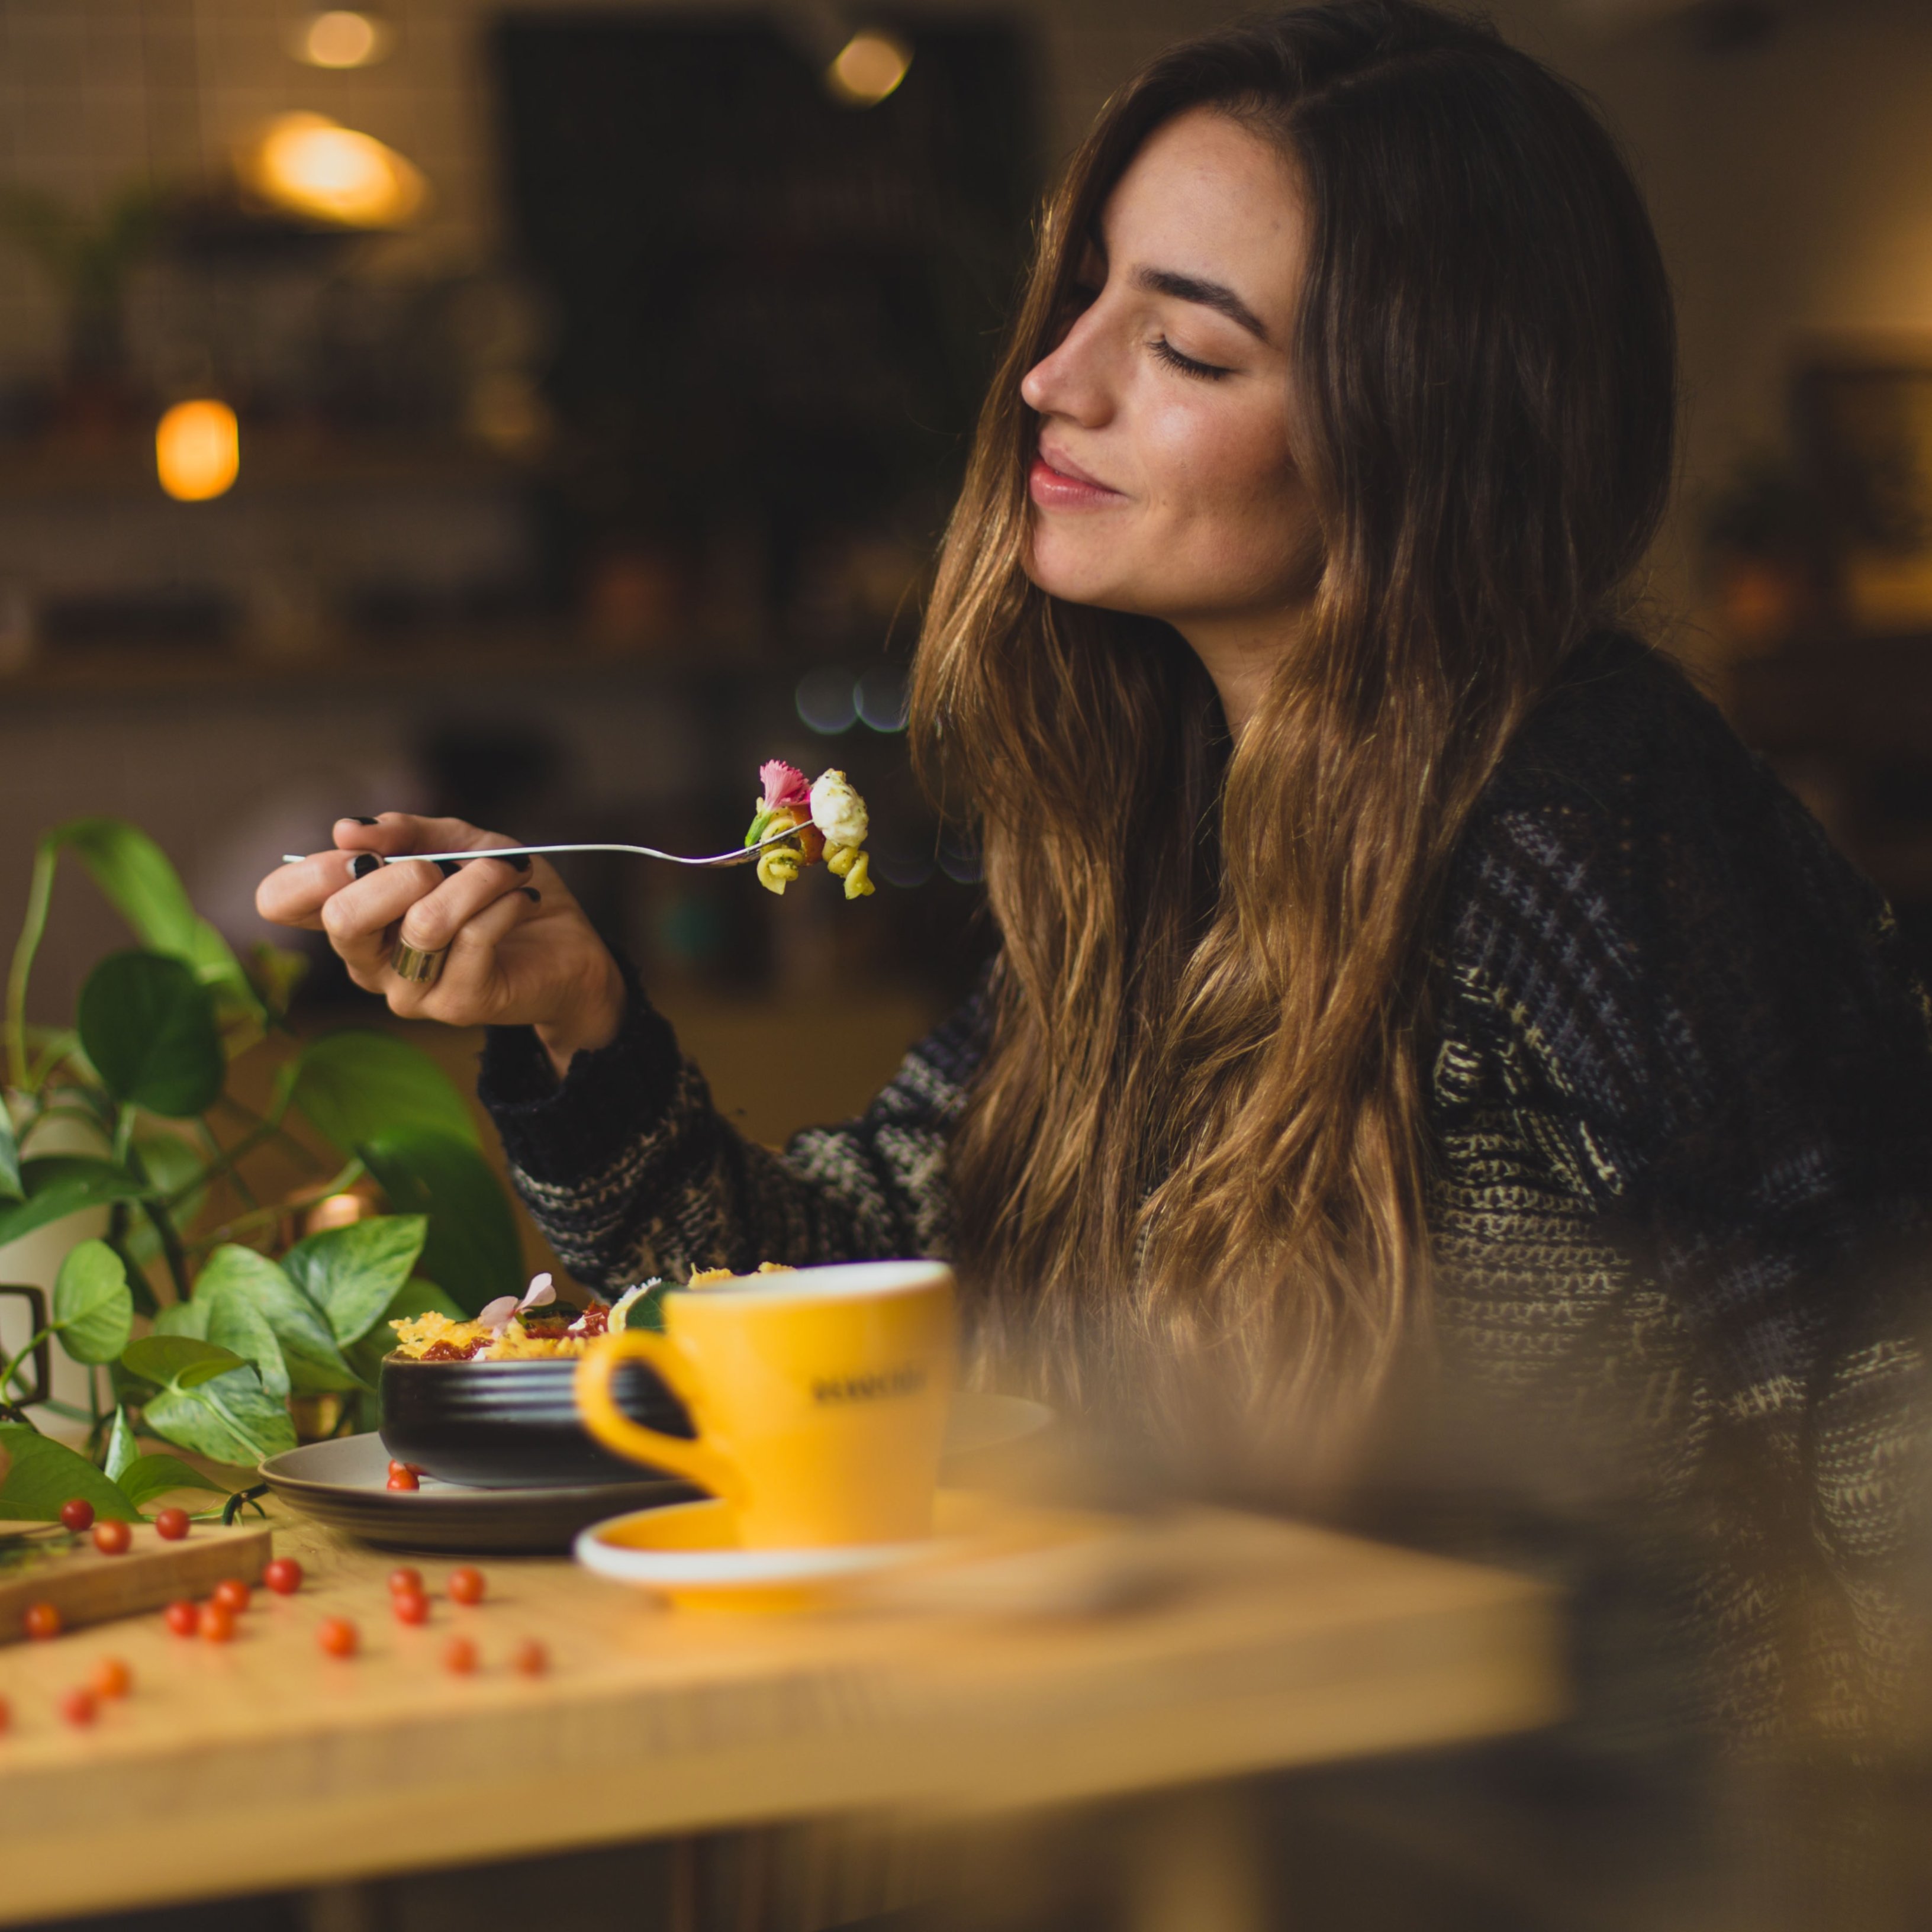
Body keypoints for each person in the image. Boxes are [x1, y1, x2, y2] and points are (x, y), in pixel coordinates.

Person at [260, 1, 1932, 1739]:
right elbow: (870, 1298)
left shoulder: (1589, 822)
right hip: (1238, 1796)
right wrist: (577, 1026)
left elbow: (1886, 1407)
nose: (1057, 378)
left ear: (1425, 437)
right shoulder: (1166, 829)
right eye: (1090, 296)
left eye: (1194, 352)